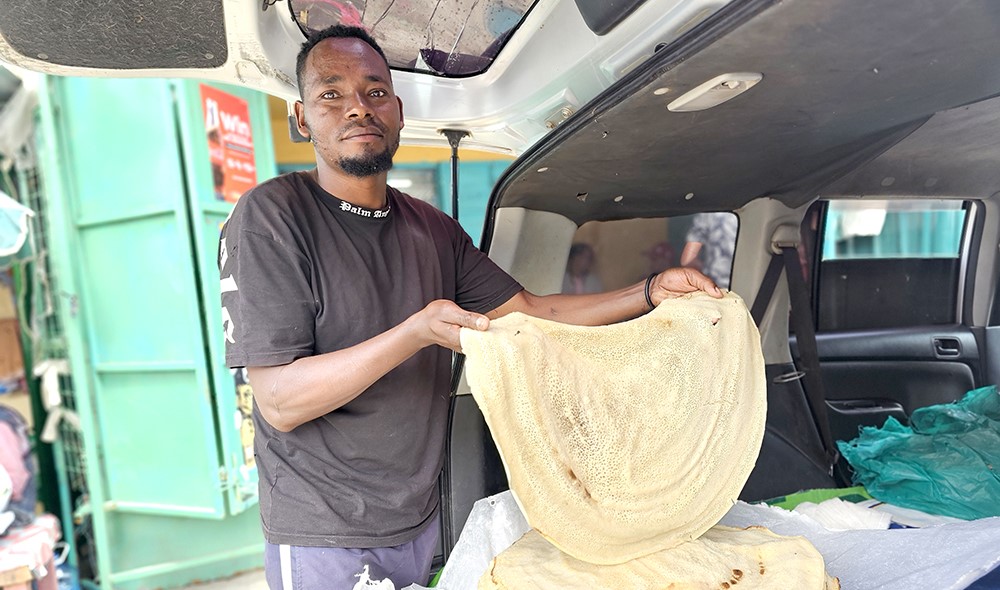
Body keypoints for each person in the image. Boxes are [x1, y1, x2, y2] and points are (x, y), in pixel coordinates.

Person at [218, 25, 723, 590]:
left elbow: (530, 312)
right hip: (322, 531)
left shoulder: (430, 228)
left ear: (399, 112)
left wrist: (650, 292)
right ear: (302, 119)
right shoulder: (271, 217)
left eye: (375, 91)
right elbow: (281, 400)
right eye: (331, 94)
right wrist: (414, 333)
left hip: (419, 520)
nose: (358, 108)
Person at [680, 212, 738, 290]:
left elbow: (687, 261)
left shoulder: (708, 214)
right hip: (750, 286)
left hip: (712, 288)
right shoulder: (755, 210)